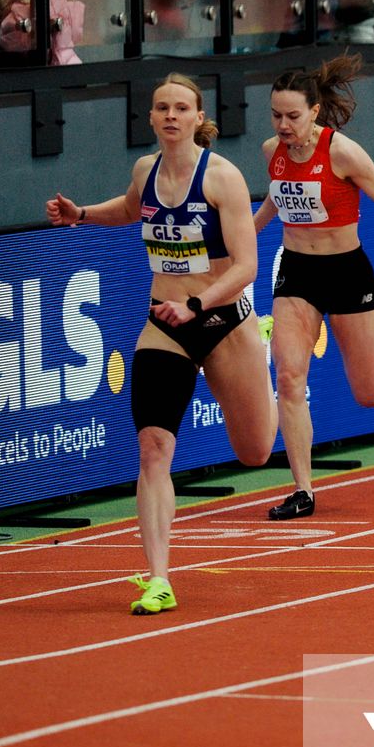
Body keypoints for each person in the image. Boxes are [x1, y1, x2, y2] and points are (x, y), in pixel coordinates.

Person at [44, 74, 277, 614]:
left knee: (255, 451)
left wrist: (197, 305)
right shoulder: (145, 171)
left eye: (181, 108)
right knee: (154, 448)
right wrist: (82, 216)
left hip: (224, 322)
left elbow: (246, 266)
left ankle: (260, 345)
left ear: (199, 118)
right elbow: (130, 209)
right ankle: (158, 578)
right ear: (150, 119)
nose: (170, 116)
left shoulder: (223, 178)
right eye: (161, 108)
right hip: (164, 325)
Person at [253, 56, 374, 520]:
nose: (283, 126)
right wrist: (246, 235)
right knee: (288, 376)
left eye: (292, 116)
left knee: (371, 394)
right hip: (297, 274)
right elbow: (277, 195)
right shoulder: (273, 151)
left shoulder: (342, 152)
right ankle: (303, 490)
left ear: (313, 112)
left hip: (347, 272)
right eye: (275, 115)